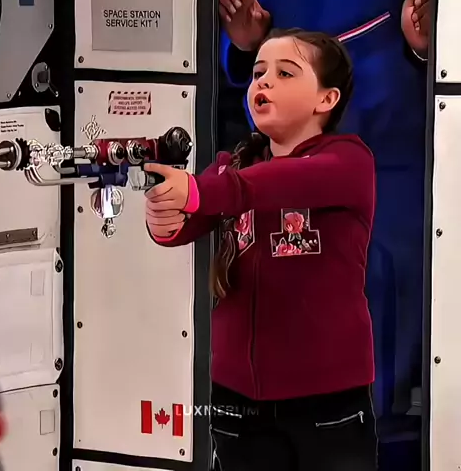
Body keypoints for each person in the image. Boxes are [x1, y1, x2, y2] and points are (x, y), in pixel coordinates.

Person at [144, 28, 377, 470]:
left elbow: (276, 183)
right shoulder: (233, 167)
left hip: (328, 400)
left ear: (326, 99)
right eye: (257, 73)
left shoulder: (349, 161)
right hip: (236, 400)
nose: (264, 81)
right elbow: (184, 226)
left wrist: (198, 192)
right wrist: (164, 215)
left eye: (285, 73)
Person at [219, 0, 430, 425]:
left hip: (394, 162)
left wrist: (428, 46)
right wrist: (245, 46)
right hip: (285, 165)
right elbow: (234, 64)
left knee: (386, 319)